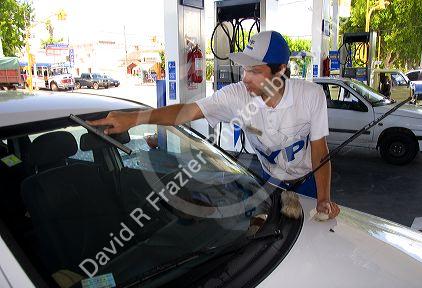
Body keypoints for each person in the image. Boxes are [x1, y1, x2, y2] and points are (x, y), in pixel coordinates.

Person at [88, 31, 340, 219]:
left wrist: (324, 198)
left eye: (255, 70)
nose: (245, 78)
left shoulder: (311, 96)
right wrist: (134, 119)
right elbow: (186, 112)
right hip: (269, 180)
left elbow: (320, 150)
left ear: (281, 70)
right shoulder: (236, 95)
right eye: (244, 68)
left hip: (308, 180)